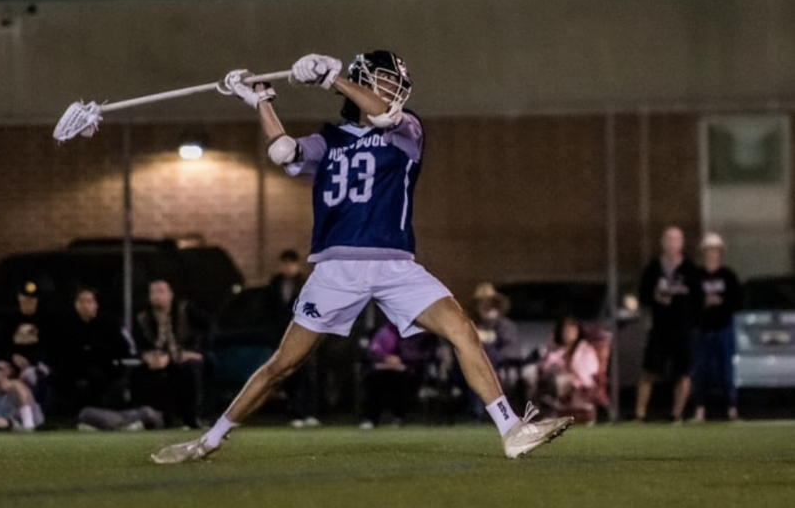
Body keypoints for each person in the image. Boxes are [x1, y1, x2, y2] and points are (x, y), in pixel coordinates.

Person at [152, 51, 572, 464]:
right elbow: (283, 153)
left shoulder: (405, 129)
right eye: (385, 79)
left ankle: (511, 429)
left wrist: (330, 77)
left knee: (463, 330)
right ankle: (209, 440)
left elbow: (385, 114)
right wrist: (261, 100)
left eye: (395, 83)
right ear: (363, 80)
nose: (393, 89)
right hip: (336, 268)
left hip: (394, 264)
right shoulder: (330, 139)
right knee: (283, 364)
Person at [635, 226, 703, 422]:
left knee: (683, 371)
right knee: (649, 370)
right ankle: (640, 415)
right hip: (659, 328)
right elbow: (643, 296)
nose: (672, 243)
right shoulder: (653, 269)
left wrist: (693, 323)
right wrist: (656, 297)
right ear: (663, 242)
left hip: (683, 329)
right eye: (669, 239)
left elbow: (698, 299)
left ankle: (676, 414)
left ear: (681, 243)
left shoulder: (690, 269)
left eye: (676, 239)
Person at [131, 279, 211, 428]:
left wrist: (194, 352)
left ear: (170, 294)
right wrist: (148, 356)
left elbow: (208, 330)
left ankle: (193, 417)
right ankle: (154, 419)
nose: (156, 296)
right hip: (159, 360)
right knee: (141, 373)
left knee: (190, 369)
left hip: (185, 356)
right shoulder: (143, 317)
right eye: (153, 292)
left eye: (161, 291)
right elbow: (137, 345)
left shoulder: (185, 309)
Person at [50, 287, 131, 417]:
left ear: (96, 304)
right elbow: (58, 351)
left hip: (104, 370)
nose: (85, 305)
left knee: (98, 376)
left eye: (89, 301)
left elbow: (125, 349)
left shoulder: (109, 324)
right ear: (75, 304)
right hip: (74, 370)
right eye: (81, 301)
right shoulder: (66, 326)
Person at [692, 232, 742, 422]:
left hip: (723, 328)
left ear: (720, 253)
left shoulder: (728, 276)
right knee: (701, 371)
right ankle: (700, 409)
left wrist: (721, 303)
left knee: (727, 371)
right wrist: (703, 304)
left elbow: (736, 301)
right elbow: (690, 302)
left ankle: (731, 409)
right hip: (703, 329)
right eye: (708, 250)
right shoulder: (697, 276)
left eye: (715, 250)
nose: (711, 253)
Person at [268, 250, 321, 428]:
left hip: (303, 332)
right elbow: (272, 311)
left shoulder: (305, 283)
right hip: (283, 334)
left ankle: (310, 411)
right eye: (284, 264)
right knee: (290, 375)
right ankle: (296, 412)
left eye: (290, 264)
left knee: (308, 374)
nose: (287, 268)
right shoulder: (275, 284)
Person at [359, 320, 437, 429]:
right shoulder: (387, 330)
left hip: (409, 370)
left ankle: (398, 416)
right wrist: (386, 358)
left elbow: (425, 355)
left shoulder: (422, 334)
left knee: (401, 382)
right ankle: (371, 418)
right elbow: (374, 349)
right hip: (383, 368)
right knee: (374, 380)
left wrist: (401, 360)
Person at [0, 281, 52, 411]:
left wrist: (30, 361)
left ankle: (27, 414)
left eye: (32, 299)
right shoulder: (11, 321)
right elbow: (1, 347)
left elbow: (48, 348)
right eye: (26, 298)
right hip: (12, 363)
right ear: (20, 298)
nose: (29, 301)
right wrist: (11, 358)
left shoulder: (46, 320)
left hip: (36, 365)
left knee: (29, 375)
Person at [468, 282, 521, 419]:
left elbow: (511, 350)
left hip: (498, 368)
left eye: (489, 302)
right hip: (470, 369)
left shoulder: (505, 326)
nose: (485, 306)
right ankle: (476, 413)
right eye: (481, 302)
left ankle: (485, 414)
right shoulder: (469, 325)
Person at [535, 316, 600, 424]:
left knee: (557, 381)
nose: (568, 333)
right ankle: (541, 413)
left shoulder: (585, 350)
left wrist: (572, 366)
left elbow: (591, 372)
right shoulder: (557, 350)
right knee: (536, 378)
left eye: (572, 330)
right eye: (566, 330)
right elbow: (544, 366)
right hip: (552, 379)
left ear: (578, 332)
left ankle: (551, 412)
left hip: (578, 382)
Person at [0, 358, 44, 431]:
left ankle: (28, 425)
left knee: (17, 385)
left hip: (18, 420)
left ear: (10, 371)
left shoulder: (18, 384)